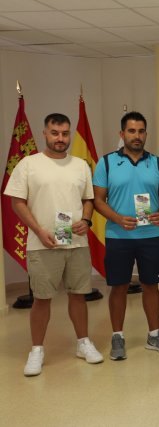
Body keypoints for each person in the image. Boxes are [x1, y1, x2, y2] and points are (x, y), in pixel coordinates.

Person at [5, 113, 103, 376]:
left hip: (77, 243)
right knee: (41, 298)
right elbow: (17, 202)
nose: (60, 138)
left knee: (79, 295)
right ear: (45, 134)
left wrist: (86, 220)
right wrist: (38, 230)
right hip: (42, 243)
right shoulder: (28, 164)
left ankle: (83, 343)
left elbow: (89, 199)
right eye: (55, 133)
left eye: (65, 133)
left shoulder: (80, 165)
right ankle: (36, 350)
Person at [93, 112, 159, 360]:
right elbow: (98, 200)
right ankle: (117, 337)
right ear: (122, 134)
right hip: (118, 236)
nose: (136, 136)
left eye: (141, 131)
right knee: (119, 286)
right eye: (131, 131)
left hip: (151, 236)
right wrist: (118, 218)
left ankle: (154, 334)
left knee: (151, 285)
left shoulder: (158, 164)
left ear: (146, 134)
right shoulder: (106, 163)